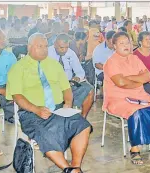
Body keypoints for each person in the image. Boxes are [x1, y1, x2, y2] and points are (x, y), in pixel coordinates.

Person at [6, 33, 92, 173]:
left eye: (46, 46)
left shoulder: (54, 64)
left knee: (83, 126)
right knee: (46, 134)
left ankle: (75, 166)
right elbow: (17, 96)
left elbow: (66, 88)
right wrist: (36, 109)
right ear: (29, 47)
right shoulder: (17, 68)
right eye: (40, 46)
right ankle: (67, 169)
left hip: (58, 109)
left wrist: (68, 103)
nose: (44, 49)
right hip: (31, 112)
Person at [103, 32, 150, 165]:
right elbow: (120, 83)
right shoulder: (111, 62)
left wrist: (129, 78)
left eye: (128, 42)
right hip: (119, 99)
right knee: (137, 111)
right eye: (121, 43)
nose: (126, 46)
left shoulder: (134, 58)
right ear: (114, 46)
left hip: (139, 95)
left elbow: (147, 77)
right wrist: (137, 80)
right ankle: (134, 150)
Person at [48, 34, 94, 118]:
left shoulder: (70, 53)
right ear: (55, 44)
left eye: (66, 47)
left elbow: (80, 72)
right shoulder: (47, 53)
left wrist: (77, 78)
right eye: (62, 48)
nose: (64, 50)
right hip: (52, 85)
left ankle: (83, 118)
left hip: (68, 84)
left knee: (89, 90)